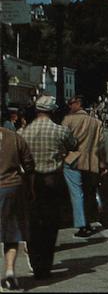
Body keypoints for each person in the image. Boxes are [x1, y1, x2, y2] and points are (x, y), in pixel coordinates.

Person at [19, 95, 78, 279]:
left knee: (33, 222)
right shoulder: (60, 131)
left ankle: (36, 265)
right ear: (53, 111)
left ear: (37, 111)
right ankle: (45, 266)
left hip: (31, 181)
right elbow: (73, 145)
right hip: (53, 180)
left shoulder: (23, 133)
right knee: (51, 224)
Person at [61, 95, 108, 238]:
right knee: (89, 193)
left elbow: (62, 141)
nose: (69, 106)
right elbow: (101, 146)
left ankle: (83, 226)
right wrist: (102, 164)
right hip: (91, 161)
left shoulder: (68, 120)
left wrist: (62, 156)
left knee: (76, 193)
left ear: (78, 104)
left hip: (72, 161)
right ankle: (89, 220)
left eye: (71, 103)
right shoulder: (96, 123)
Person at [0, 113, 35, 290]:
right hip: (12, 188)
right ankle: (9, 273)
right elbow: (29, 164)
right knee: (11, 233)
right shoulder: (14, 137)